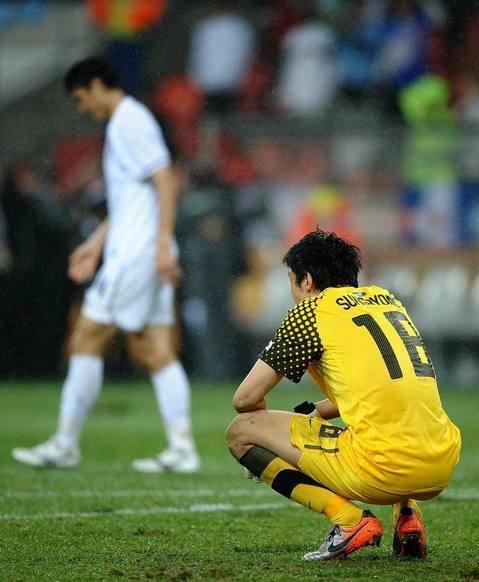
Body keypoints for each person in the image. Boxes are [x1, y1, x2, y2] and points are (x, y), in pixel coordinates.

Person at [12, 57, 200, 473]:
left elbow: (165, 179)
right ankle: (182, 447)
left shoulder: (129, 122)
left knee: (86, 336)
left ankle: (64, 443)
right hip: (138, 250)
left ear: (98, 85)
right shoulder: (126, 123)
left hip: (137, 256)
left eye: (82, 99)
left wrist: (164, 242)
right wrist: (95, 244)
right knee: (157, 348)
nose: (83, 108)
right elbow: (133, 201)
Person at [226, 229, 461, 561]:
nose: (293, 292)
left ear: (306, 281)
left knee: (241, 431)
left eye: (292, 282)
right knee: (388, 419)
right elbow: (378, 388)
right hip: (443, 461)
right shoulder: (387, 301)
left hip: (383, 470)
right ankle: (407, 518)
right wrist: (317, 413)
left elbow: (245, 401)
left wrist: (263, 439)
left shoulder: (311, 312)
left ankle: (348, 520)